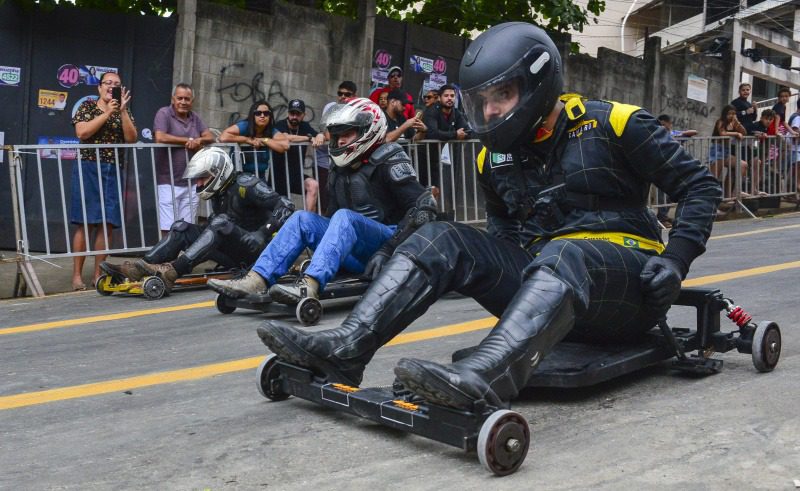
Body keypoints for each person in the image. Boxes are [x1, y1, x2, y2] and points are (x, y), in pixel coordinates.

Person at [256, 22, 722, 411]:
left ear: (538, 84)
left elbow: (700, 185)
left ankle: (484, 377)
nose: (491, 110)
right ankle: (346, 348)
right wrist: (468, 269)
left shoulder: (616, 123)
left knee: (564, 252)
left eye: (503, 94)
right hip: (553, 286)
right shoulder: (491, 160)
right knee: (439, 236)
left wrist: (677, 259)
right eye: (482, 100)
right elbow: (503, 240)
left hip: (629, 290)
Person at [207, 97, 431, 305]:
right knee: (302, 218)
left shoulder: (389, 158)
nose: (340, 140)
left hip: (387, 249)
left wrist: (387, 250)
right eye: (337, 134)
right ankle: (256, 279)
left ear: (367, 131)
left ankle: (310, 285)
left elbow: (424, 208)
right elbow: (331, 220)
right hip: (355, 252)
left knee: (344, 217)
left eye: (347, 133)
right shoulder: (338, 168)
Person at [101, 146, 295, 292]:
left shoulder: (247, 184)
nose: (199, 183)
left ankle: (172, 271)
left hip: (255, 251)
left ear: (219, 172)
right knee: (181, 227)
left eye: (203, 177)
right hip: (231, 249)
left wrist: (262, 232)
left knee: (219, 223)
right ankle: (141, 267)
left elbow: (286, 205)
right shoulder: (219, 192)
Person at [70, 71, 137, 291]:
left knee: (107, 224)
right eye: (108, 83)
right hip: (88, 168)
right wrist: (107, 113)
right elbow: (83, 132)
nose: (112, 87)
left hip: (112, 170)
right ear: (99, 87)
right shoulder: (87, 107)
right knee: (85, 222)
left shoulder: (123, 111)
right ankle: (77, 275)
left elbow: (131, 138)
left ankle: (99, 274)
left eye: (117, 84)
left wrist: (122, 111)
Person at [153, 83, 216, 234]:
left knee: (186, 227)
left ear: (192, 101)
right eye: (179, 98)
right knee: (167, 227)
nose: (183, 102)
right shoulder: (164, 113)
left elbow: (210, 136)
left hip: (190, 181)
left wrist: (199, 141)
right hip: (168, 180)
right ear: (173, 99)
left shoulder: (195, 118)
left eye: (187, 99)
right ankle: (166, 257)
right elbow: (160, 137)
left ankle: (180, 258)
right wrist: (189, 140)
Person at [271, 99, 323, 212]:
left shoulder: (305, 126)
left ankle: (307, 221)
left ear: (304, 115)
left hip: (295, 175)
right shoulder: (280, 124)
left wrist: (320, 136)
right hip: (278, 176)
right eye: (292, 113)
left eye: (298, 114)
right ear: (288, 113)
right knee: (280, 209)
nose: (294, 117)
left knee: (313, 185)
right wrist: (308, 138)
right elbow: (284, 137)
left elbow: (318, 134)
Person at [219, 100, 290, 179]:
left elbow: (285, 146)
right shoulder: (245, 125)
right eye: (258, 113)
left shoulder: (270, 130)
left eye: (266, 113)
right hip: (238, 175)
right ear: (253, 115)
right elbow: (223, 137)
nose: (262, 116)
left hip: (259, 176)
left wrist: (264, 140)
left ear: (270, 116)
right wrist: (247, 140)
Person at [655, 114, 697, 227]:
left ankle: (665, 216)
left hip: (675, 169)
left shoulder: (674, 134)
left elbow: (694, 132)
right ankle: (661, 218)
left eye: (664, 124)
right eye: (660, 125)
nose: (663, 127)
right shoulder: (657, 135)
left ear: (669, 124)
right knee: (662, 194)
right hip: (662, 169)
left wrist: (681, 134)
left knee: (671, 194)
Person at [709, 105, 749, 197]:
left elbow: (744, 133)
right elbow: (722, 133)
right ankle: (709, 200)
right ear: (725, 114)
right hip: (717, 150)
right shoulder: (720, 121)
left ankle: (735, 193)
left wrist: (737, 122)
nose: (731, 116)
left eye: (733, 113)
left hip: (726, 151)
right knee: (714, 178)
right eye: (729, 114)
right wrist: (736, 133)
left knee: (743, 165)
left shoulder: (734, 123)